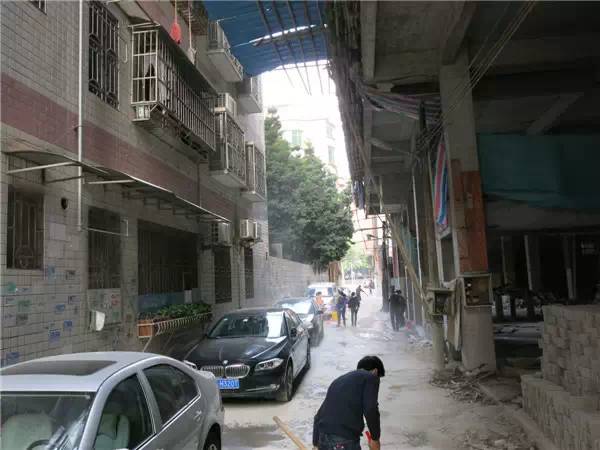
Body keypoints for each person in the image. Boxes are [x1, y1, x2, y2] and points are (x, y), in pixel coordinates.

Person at [313, 355, 385, 450]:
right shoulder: (371, 378)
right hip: (343, 441)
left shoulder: (339, 381)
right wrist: (375, 439)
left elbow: (319, 415)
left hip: (323, 438)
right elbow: (371, 409)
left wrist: (315, 444)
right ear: (375, 371)